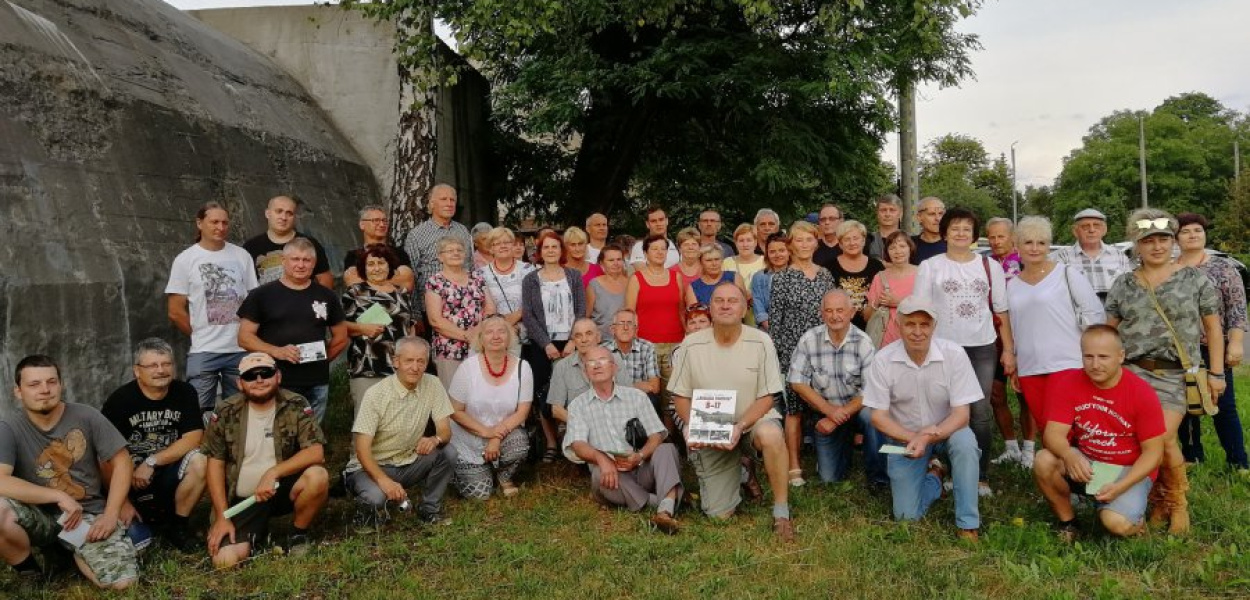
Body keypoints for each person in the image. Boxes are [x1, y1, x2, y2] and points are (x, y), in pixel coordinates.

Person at [1105, 208, 1224, 534]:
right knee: (1143, 439)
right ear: (1136, 245)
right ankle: (1158, 499)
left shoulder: (1195, 279)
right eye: (1148, 241)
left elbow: (1213, 329)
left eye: (1163, 239)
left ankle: (1177, 502)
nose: (1157, 247)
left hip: (1176, 374)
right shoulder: (1124, 284)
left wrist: (1216, 373)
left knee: (1163, 436)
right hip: (1132, 374)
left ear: (1173, 242)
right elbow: (1109, 330)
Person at [669, 282, 795, 541]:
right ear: (710, 309)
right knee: (718, 515)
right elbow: (680, 397)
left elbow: (768, 397)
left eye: (732, 301)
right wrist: (693, 425)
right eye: (719, 301)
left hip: (753, 422)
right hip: (712, 430)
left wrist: (739, 427)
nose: (725, 305)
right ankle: (743, 472)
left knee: (771, 434)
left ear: (743, 309)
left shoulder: (761, 341)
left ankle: (781, 511)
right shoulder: (690, 345)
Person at [0, 355, 138, 589]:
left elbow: (122, 462)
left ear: (61, 384)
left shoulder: (86, 415)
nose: (45, 390)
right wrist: (57, 496)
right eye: (34, 384)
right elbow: (1, 481)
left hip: (86, 514)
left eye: (51, 382)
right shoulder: (9, 427)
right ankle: (30, 572)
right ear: (18, 391)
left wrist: (111, 513)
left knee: (122, 584)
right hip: (38, 516)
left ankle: (69, 552)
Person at [912, 208, 1015, 496]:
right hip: (943, 347)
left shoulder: (989, 266)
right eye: (955, 227)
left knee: (979, 412)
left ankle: (980, 474)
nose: (960, 233)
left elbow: (1001, 310)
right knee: (945, 410)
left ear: (974, 235)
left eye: (966, 229)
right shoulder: (931, 266)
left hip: (982, 347)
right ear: (944, 232)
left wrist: (1008, 349)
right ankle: (946, 466)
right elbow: (921, 311)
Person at [863, 297, 983, 541]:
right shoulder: (883, 360)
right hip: (904, 436)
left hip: (948, 429)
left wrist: (927, 436)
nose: (918, 332)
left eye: (924, 324)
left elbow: (962, 414)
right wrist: (914, 438)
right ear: (898, 325)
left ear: (934, 326)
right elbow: (877, 417)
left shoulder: (954, 354)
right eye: (910, 324)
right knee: (906, 516)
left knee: (966, 444)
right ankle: (935, 478)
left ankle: (968, 523)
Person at [1033, 326, 1166, 541]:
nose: (1095, 365)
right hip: (1088, 462)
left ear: (1121, 356)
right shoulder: (1069, 383)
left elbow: (1154, 453)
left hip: (1128, 469)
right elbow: (1052, 434)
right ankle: (1069, 523)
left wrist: (1121, 486)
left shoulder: (1142, 393)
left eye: (1103, 357)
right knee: (1043, 460)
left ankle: (1133, 518)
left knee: (1116, 524)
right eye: (1089, 356)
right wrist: (1069, 454)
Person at [203, 353, 329, 567]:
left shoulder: (295, 404)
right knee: (225, 562)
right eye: (251, 376)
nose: (259, 380)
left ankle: (298, 535)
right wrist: (222, 515)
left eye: (266, 373)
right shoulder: (225, 411)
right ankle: (254, 534)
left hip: (280, 489)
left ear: (278, 377)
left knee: (318, 476)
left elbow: (316, 452)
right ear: (240, 383)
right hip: (242, 499)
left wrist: (272, 473)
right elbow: (214, 463)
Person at [1005, 216, 1104, 468]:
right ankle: (1062, 482)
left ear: (1049, 245)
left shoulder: (1066, 273)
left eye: (1041, 242)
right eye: (1028, 242)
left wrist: (1093, 357)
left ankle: (1089, 482)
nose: (1035, 248)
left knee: (1073, 429)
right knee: (1046, 429)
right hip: (1030, 367)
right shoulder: (1012, 285)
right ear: (1017, 245)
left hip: (1066, 363)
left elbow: (1094, 314)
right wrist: (1015, 363)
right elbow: (1014, 327)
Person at [101, 338, 206, 553]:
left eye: (166, 364)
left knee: (200, 460)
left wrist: (152, 461)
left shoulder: (185, 392)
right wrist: (121, 502)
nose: (161, 370)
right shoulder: (120, 401)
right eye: (153, 366)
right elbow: (104, 457)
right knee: (140, 544)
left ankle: (179, 526)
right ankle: (143, 518)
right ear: (137, 371)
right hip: (128, 481)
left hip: (167, 471)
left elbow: (194, 437)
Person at [565, 346, 684, 534]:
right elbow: (578, 445)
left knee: (666, 449)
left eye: (602, 360)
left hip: (641, 466)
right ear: (585, 371)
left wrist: (640, 455)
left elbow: (656, 435)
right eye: (591, 363)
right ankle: (668, 500)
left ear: (614, 368)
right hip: (612, 477)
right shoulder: (578, 406)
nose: (597, 366)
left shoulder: (637, 397)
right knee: (598, 473)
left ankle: (664, 512)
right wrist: (602, 459)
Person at [237, 237, 348, 424]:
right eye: (295, 259)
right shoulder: (261, 295)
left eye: (306, 260)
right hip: (275, 381)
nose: (300, 265)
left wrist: (320, 358)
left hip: (317, 382)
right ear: (283, 261)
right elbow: (244, 338)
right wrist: (277, 352)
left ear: (314, 264)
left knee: (312, 435)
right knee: (278, 436)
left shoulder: (326, 295)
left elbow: (341, 337)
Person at [344, 338, 455, 524]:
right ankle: (364, 510)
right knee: (375, 498)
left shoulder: (433, 383)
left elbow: (445, 431)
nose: (415, 367)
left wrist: (434, 439)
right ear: (396, 362)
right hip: (370, 466)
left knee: (448, 452)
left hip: (407, 459)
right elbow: (361, 450)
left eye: (421, 361)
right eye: (408, 360)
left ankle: (429, 509)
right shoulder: (376, 394)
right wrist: (384, 481)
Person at [166, 201, 259, 413]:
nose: (220, 227)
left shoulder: (241, 256)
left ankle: (234, 447)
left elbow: (253, 300)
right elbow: (175, 310)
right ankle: (199, 447)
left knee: (239, 410)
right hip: (204, 349)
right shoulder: (185, 260)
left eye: (225, 222)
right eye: (214, 222)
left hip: (240, 348)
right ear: (200, 223)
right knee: (197, 409)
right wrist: (198, 333)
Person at [788, 290, 885, 488]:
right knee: (829, 479)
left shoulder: (864, 342)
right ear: (821, 313)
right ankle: (844, 446)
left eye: (840, 310)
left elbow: (870, 390)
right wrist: (829, 411)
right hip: (826, 411)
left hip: (857, 410)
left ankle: (878, 477)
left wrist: (840, 414)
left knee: (873, 417)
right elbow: (796, 382)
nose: (834, 316)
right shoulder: (809, 339)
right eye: (829, 311)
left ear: (851, 312)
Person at [1174, 213, 1247, 470]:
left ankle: (1238, 463)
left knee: (1223, 405)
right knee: (1185, 406)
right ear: (1176, 238)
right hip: (1178, 349)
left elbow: (1237, 309)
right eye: (1186, 231)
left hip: (1214, 346)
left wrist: (1236, 343)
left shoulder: (1223, 268)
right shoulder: (1169, 268)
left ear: (1205, 235)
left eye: (1198, 230)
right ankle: (1192, 456)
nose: (1193, 235)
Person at [767, 221, 836, 487]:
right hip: (793, 352)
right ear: (791, 244)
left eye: (809, 240)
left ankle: (825, 456)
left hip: (823, 351)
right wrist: (782, 357)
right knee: (794, 410)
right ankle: (794, 464)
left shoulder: (826, 276)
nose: (805, 245)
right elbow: (776, 321)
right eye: (799, 240)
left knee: (822, 404)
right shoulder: (782, 278)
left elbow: (833, 314)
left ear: (816, 242)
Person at [448, 318, 532, 499]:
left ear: (509, 338)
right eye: (489, 332)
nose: (496, 336)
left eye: (501, 331)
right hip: (469, 437)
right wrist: (487, 432)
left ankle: (504, 475)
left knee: (520, 443)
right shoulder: (467, 368)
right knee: (481, 495)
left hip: (504, 434)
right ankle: (456, 471)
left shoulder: (523, 368)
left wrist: (495, 437)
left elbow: (522, 412)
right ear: (481, 339)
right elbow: (455, 411)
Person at [522, 231, 586, 461]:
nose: (551, 251)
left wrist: (572, 341)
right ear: (540, 252)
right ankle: (550, 442)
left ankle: (573, 437)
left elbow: (580, 310)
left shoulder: (574, 276)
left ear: (562, 251)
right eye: (546, 247)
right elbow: (528, 316)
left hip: (571, 341)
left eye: (555, 247)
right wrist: (546, 343)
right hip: (542, 343)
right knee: (543, 392)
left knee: (574, 390)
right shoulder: (531, 279)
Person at [341, 244, 414, 412]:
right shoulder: (355, 293)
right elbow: (339, 326)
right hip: (367, 366)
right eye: (371, 264)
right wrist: (362, 328)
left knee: (398, 419)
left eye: (381, 263)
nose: (376, 268)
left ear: (389, 266)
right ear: (363, 268)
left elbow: (409, 327)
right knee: (367, 421)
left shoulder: (402, 293)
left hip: (399, 367)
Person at [625, 234, 687, 416]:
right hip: (646, 345)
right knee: (650, 393)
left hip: (675, 343)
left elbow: (682, 310)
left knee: (672, 395)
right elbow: (629, 313)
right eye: (654, 249)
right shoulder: (636, 279)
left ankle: (671, 438)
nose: (659, 252)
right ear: (645, 253)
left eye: (663, 249)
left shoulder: (677, 277)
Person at [424, 237, 496, 389]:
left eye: (459, 250)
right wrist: (467, 336)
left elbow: (490, 309)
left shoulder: (477, 278)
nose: (455, 253)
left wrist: (478, 334)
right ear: (440, 256)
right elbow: (435, 320)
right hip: (449, 349)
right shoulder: (435, 282)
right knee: (453, 397)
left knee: (480, 392)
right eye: (450, 251)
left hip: (480, 345)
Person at [984, 217, 1027, 468]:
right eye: (992, 237)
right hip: (994, 335)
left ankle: (1030, 449)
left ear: (1012, 237)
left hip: (1023, 332)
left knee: (1025, 394)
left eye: (1001, 236)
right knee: (997, 393)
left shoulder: (1024, 262)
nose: (996, 241)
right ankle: (1011, 446)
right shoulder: (985, 263)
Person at [403, 184, 475, 328]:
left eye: (452, 200)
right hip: (433, 310)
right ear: (431, 204)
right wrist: (416, 314)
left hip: (465, 305)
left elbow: (470, 266)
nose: (449, 204)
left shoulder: (463, 231)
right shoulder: (417, 235)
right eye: (443, 199)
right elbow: (412, 276)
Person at [547, 318, 632, 423]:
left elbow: (629, 398)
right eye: (578, 336)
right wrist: (582, 425)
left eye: (589, 334)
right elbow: (556, 410)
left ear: (598, 337)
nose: (584, 339)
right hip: (578, 428)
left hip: (615, 423)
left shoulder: (615, 359)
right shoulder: (562, 367)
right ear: (573, 341)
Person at [243, 195, 334, 289]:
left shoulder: (310, 244)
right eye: (279, 211)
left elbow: (324, 278)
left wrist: (321, 301)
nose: (283, 217)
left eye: (289, 213)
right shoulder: (251, 246)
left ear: (294, 217)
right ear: (267, 213)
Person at [1049, 208, 1133, 303]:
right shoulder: (1061, 258)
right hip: (1076, 316)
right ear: (1075, 231)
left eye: (1096, 226)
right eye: (1085, 226)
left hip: (1113, 316)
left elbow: (1129, 290)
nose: (1092, 230)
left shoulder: (1119, 256)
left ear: (1104, 230)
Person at [478, 227, 535, 354]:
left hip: (524, 335)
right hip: (494, 335)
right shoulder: (481, 274)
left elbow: (535, 302)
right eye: (497, 243)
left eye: (507, 242)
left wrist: (512, 321)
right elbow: (480, 307)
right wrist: (502, 327)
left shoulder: (528, 270)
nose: (502, 246)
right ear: (491, 248)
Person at [825, 220, 885, 329]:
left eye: (855, 238)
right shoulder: (828, 267)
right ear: (840, 244)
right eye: (847, 239)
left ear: (863, 240)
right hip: (838, 328)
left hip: (873, 328)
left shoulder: (877, 266)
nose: (852, 243)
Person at [342, 205, 416, 291]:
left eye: (384, 221)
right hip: (367, 304)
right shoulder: (353, 256)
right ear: (362, 225)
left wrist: (366, 278)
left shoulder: (399, 253)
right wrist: (392, 278)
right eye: (375, 220)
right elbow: (354, 285)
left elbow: (407, 283)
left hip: (395, 303)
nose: (382, 224)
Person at [864, 231, 918, 347]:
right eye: (892, 248)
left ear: (910, 248)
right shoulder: (880, 277)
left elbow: (932, 309)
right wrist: (876, 303)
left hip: (916, 338)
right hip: (885, 340)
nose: (898, 251)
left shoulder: (923, 273)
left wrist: (899, 302)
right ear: (887, 252)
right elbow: (867, 317)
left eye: (902, 246)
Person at [603, 309, 661, 398]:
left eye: (629, 323)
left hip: (639, 399)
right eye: (621, 323)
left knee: (653, 399)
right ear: (612, 329)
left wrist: (617, 387)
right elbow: (602, 387)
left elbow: (654, 387)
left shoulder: (647, 347)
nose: (625, 328)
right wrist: (634, 386)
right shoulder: (603, 351)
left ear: (636, 330)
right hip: (612, 399)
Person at [723, 223, 766, 324]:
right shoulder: (727, 262)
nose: (745, 244)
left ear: (755, 242)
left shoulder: (765, 262)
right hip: (733, 315)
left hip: (759, 315)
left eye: (749, 240)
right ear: (736, 242)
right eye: (741, 240)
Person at [586, 244, 629, 339]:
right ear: (601, 263)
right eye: (611, 260)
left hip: (627, 340)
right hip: (600, 342)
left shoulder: (631, 283)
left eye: (619, 259)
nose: (616, 263)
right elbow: (586, 316)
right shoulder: (594, 285)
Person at [751, 233, 791, 332]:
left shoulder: (799, 275)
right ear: (767, 254)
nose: (777, 255)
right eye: (772, 252)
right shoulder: (759, 277)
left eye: (781, 250)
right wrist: (774, 330)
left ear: (789, 252)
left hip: (795, 330)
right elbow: (759, 307)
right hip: (767, 330)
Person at [865, 194, 904, 260]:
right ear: (877, 213)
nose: (887, 214)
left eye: (892, 210)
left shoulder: (911, 240)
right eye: (883, 210)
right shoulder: (866, 240)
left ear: (900, 214)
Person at [912, 196, 947, 264]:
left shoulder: (954, 244)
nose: (938, 218)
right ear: (919, 217)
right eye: (931, 214)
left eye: (941, 214)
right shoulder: (909, 245)